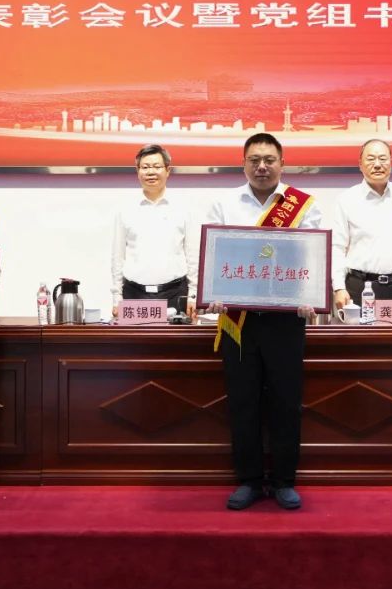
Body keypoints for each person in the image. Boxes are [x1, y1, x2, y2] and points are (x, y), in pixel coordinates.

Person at [205, 133, 323, 511]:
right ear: (243, 164)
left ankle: (285, 480)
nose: (261, 166)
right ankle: (250, 480)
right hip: (238, 320)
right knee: (243, 402)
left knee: (286, 402)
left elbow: (313, 258)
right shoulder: (224, 204)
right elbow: (213, 257)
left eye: (269, 160)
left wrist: (312, 296)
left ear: (282, 164)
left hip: (286, 320)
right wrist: (212, 291)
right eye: (254, 160)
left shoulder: (303, 206)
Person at [331, 139, 392, 313]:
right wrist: (339, 287)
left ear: (391, 162)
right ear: (360, 164)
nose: (378, 164)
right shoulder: (346, 199)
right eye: (371, 159)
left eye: (383, 158)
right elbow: (337, 247)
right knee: (359, 333)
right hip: (359, 289)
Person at [111, 144, 199, 318]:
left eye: (157, 166)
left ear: (168, 170)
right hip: (134, 294)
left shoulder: (183, 208)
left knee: (177, 337)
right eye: (145, 167)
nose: (150, 172)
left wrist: (193, 295)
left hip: (175, 294)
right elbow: (117, 257)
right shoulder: (125, 209)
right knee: (135, 337)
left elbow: (193, 255)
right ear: (137, 171)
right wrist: (116, 297)